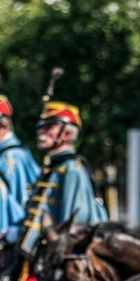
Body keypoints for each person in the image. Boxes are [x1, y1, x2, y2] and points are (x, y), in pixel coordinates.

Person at [20, 92, 106, 257]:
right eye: (42, 126)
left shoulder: (72, 169)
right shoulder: (53, 166)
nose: (41, 132)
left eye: (49, 127)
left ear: (66, 134)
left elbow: (74, 222)